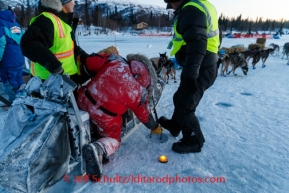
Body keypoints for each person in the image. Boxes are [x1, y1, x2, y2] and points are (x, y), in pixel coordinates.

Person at [76, 49, 162, 181]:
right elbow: (144, 115)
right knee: (115, 140)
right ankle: (99, 148)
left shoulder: (116, 60)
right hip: (103, 117)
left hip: (82, 100)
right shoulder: (140, 92)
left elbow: (90, 62)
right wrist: (154, 126)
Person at [159, 0, 220, 153]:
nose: (171, 7)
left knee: (186, 107)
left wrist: (192, 74)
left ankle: (194, 141)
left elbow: (198, 42)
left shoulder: (191, 10)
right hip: (198, 65)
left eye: (170, 3)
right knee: (179, 98)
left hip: (200, 68)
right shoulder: (199, 5)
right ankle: (175, 125)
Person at [20, 0, 80, 82]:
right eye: (72, 0)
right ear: (64, 3)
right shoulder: (47, 20)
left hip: (64, 80)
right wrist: (55, 67)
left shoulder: (62, 22)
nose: (74, 3)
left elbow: (67, 48)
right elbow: (28, 43)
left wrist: (86, 58)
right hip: (50, 83)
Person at [0, 1, 25, 102]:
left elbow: (0, 43)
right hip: (19, 59)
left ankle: (15, 104)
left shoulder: (1, 22)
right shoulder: (15, 22)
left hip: (7, 61)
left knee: (10, 83)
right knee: (19, 80)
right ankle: (24, 99)